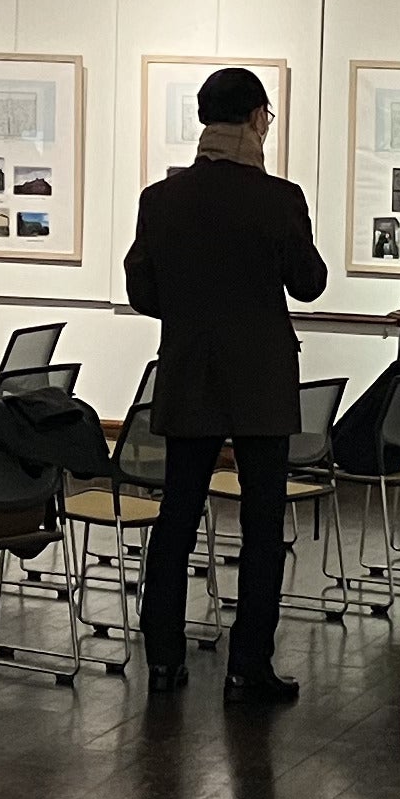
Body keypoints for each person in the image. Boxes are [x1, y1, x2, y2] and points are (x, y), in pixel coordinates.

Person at [123, 66, 330, 706]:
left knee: (177, 516)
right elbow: (309, 283)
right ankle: (248, 666)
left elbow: (142, 290)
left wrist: (192, 315)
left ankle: (163, 659)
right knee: (263, 524)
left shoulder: (162, 199)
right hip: (262, 379)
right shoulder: (279, 198)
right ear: (258, 118)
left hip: (189, 372)